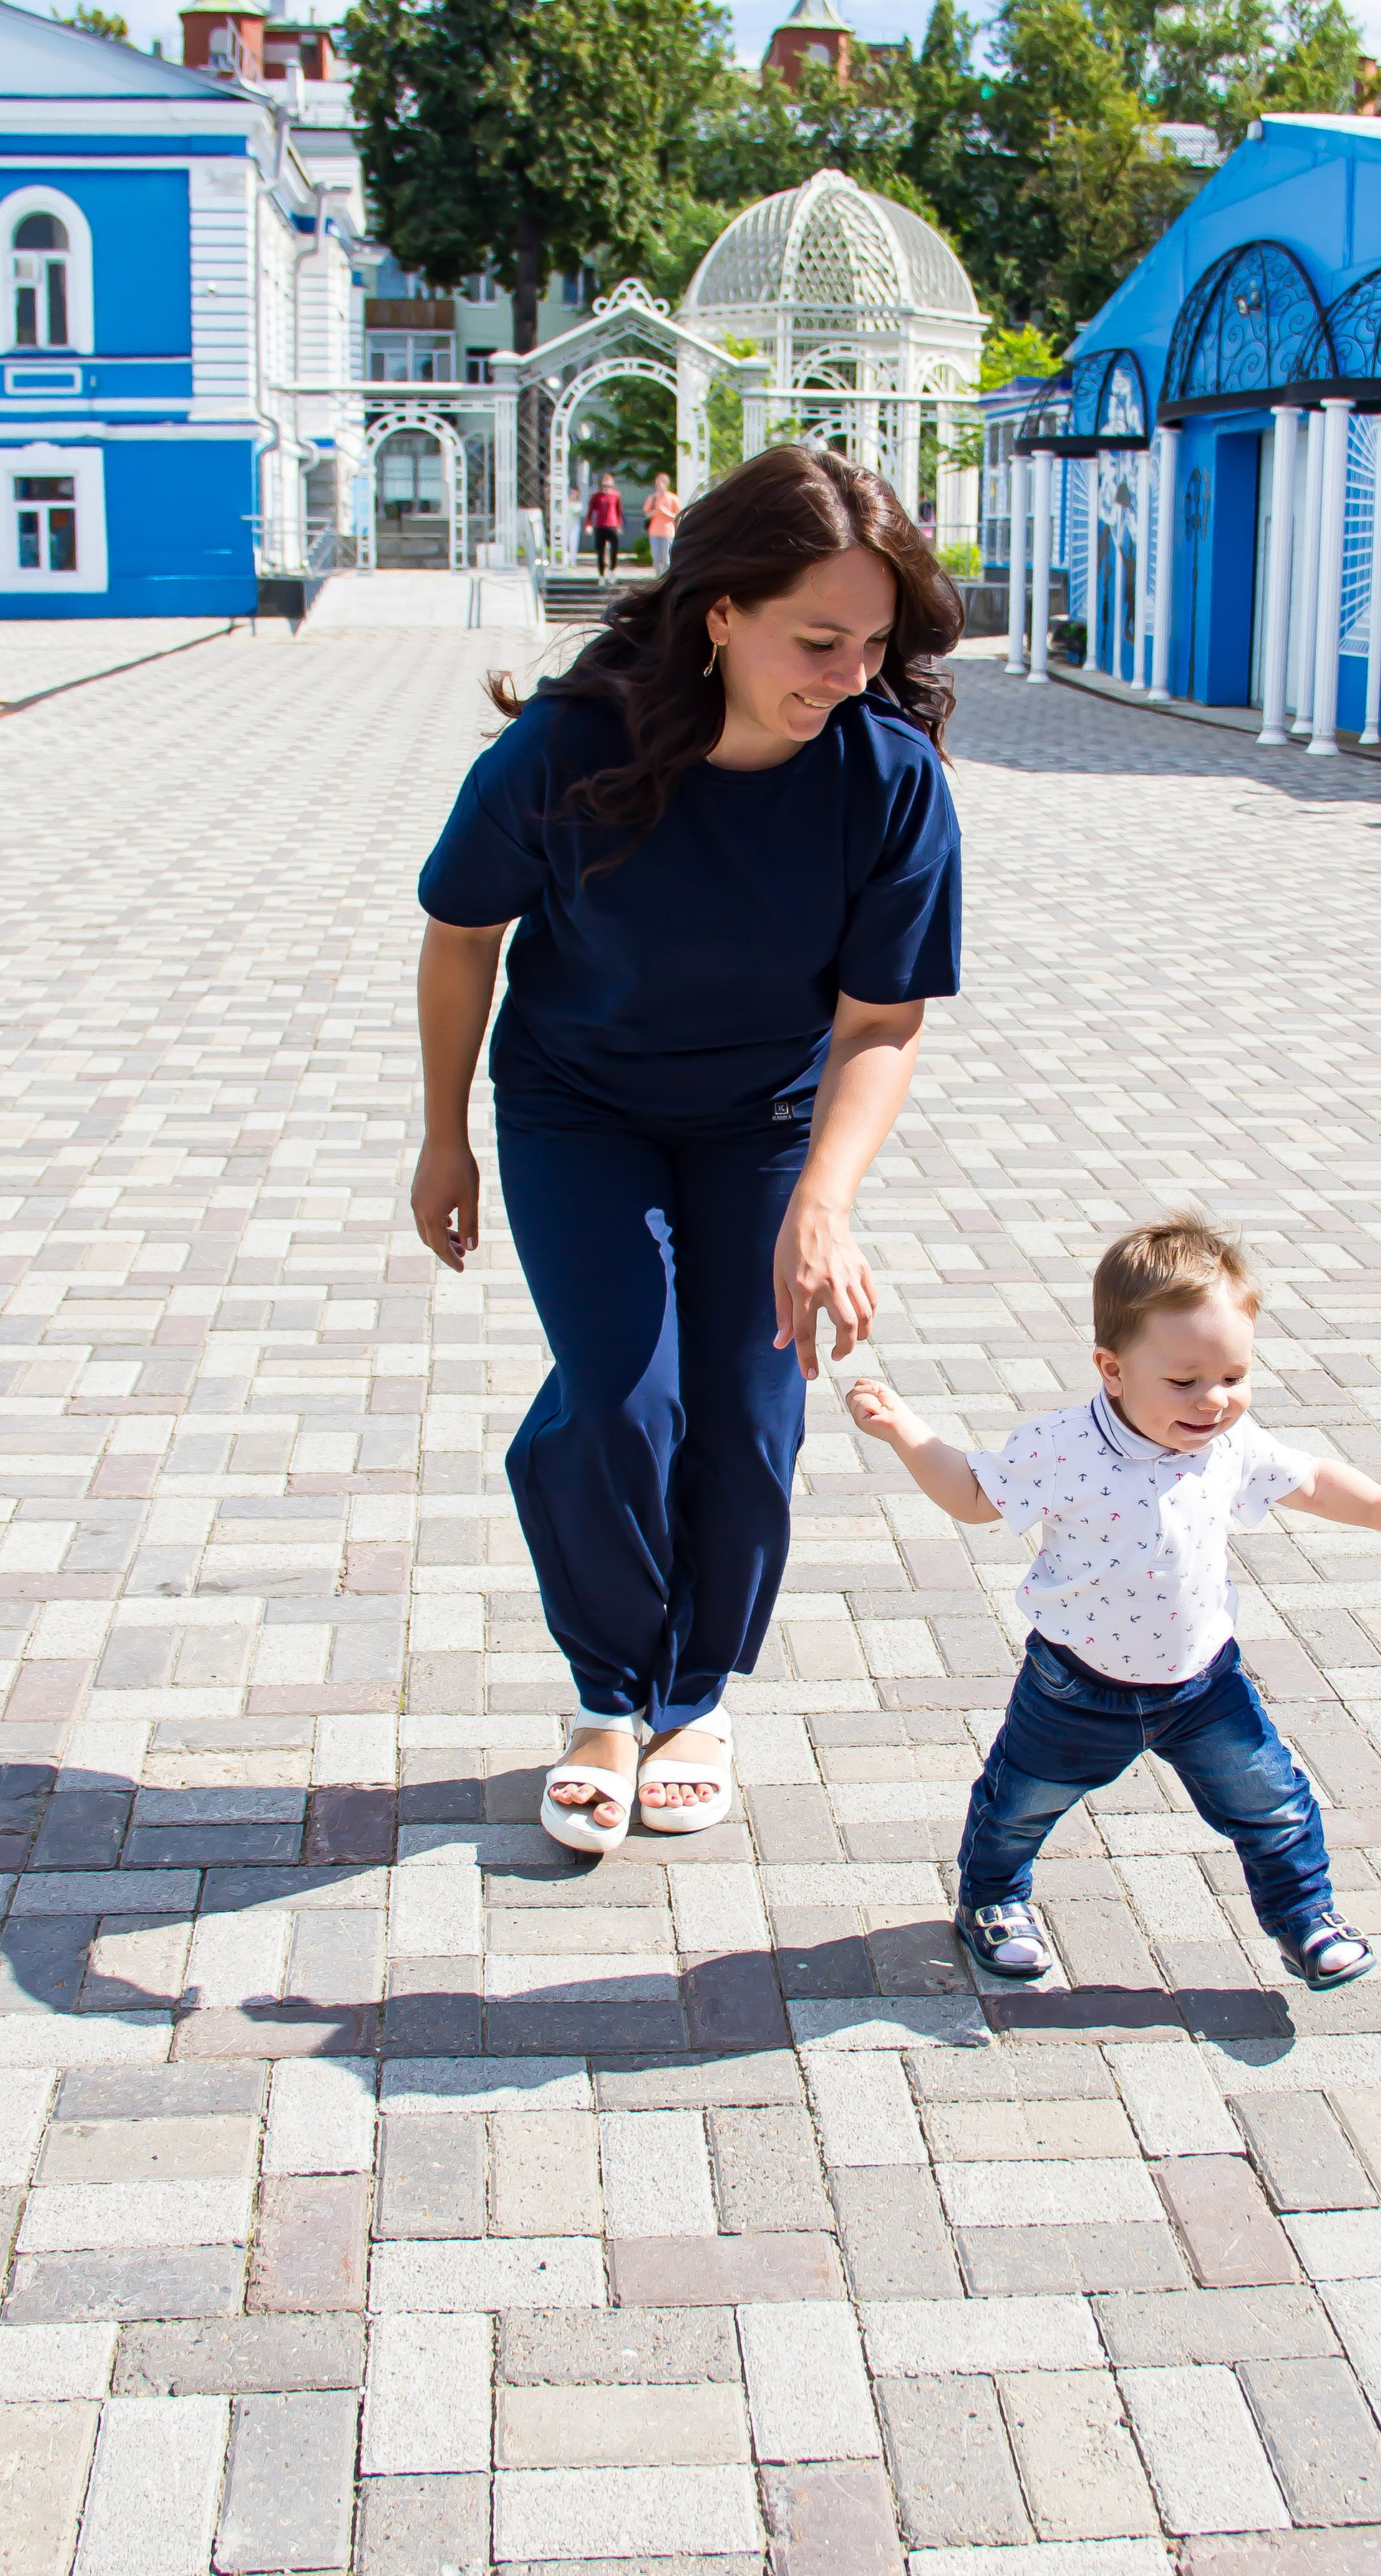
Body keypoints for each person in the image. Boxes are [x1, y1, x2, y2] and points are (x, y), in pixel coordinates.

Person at [413, 447, 963, 1853]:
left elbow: (882, 1020)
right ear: (719, 612)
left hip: (763, 1125)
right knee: (620, 1396)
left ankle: (696, 1695)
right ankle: (607, 1694)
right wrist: (443, 1139)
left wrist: (824, 1205)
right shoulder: (568, 750)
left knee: (749, 1412)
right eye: (815, 638)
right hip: (576, 1110)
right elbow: (463, 933)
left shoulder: (886, 781)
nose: (848, 671)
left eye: (873, 644)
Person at [848, 1214, 1381, 1988]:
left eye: (1233, 1376)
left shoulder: (1228, 1442)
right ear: (1111, 1369)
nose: (1212, 1400)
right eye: (1182, 1381)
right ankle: (992, 1897)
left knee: (1272, 1799)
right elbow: (977, 1494)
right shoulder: (1065, 1445)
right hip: (1076, 1685)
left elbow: (1313, 1481)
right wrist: (907, 1432)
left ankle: (1304, 1914)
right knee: (1017, 1803)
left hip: (1203, 1683)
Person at [588, 471, 624, 582]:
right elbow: (590, 511)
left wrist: (619, 525)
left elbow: (619, 511)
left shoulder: (616, 496)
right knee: (600, 551)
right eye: (605, 484)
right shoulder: (597, 496)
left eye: (609, 484)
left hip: (612, 525)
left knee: (614, 550)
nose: (607, 486)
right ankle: (602, 575)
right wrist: (588, 524)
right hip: (600, 526)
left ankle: (612, 570)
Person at [644, 471, 680, 577]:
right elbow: (647, 514)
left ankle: (666, 580)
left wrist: (665, 512)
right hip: (654, 531)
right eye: (657, 483)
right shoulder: (652, 498)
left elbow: (677, 515)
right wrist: (655, 512)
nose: (659, 485)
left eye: (662, 483)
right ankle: (658, 578)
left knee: (666, 559)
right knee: (656, 558)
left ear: (666, 484)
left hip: (668, 532)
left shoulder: (673, 498)